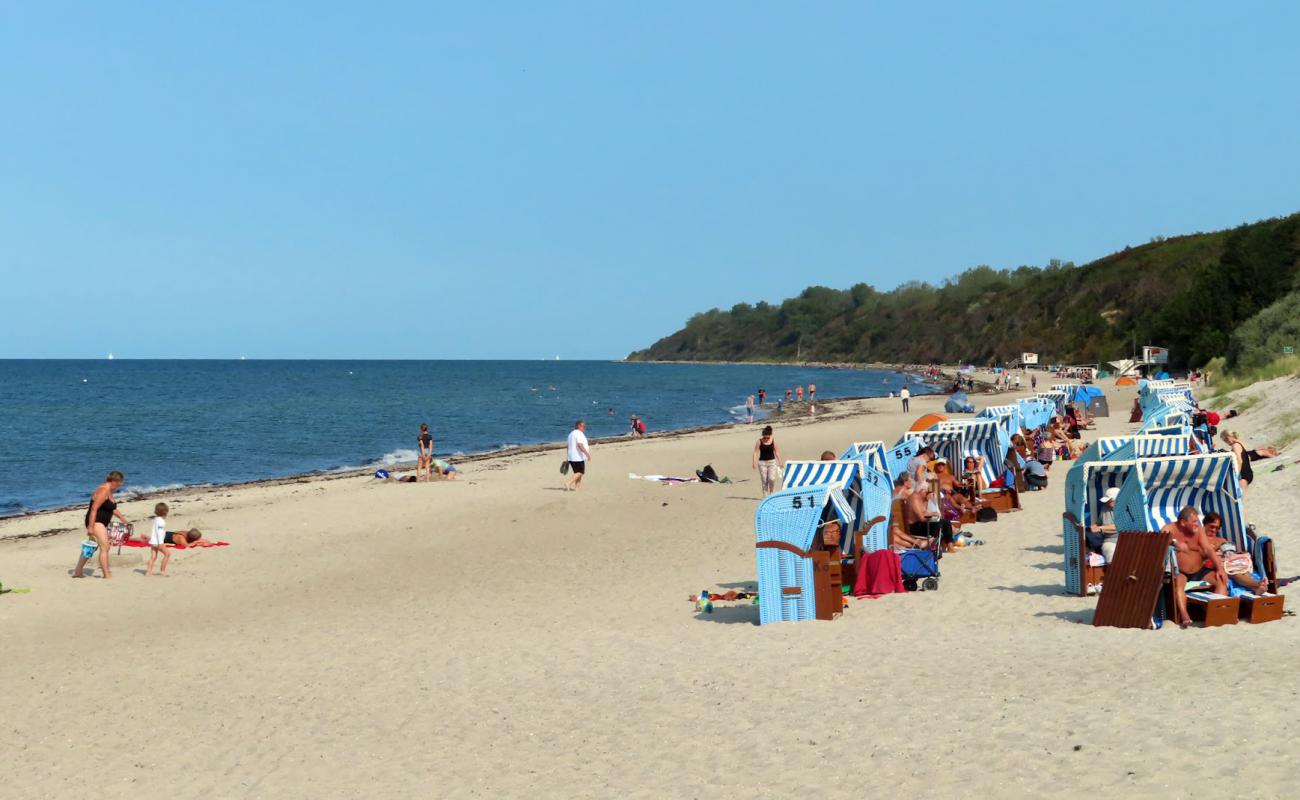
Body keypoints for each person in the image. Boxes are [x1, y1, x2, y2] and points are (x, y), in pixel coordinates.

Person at [1165, 507, 1228, 627]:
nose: (1197, 524)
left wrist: (1220, 569)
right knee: (1179, 585)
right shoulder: (1171, 528)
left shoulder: (1198, 530)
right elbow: (1161, 537)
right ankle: (1184, 615)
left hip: (1200, 570)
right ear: (1183, 523)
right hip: (1181, 572)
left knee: (1220, 579)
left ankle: (1217, 613)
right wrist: (1174, 542)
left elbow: (1208, 549)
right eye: (1194, 521)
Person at [73, 470, 129, 579]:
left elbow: (111, 508)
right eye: (119, 484)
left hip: (100, 522)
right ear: (113, 481)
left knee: (91, 548)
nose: (118, 486)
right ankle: (106, 574)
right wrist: (90, 527)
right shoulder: (103, 490)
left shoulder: (109, 490)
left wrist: (124, 520)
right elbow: (94, 509)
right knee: (105, 546)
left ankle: (78, 571)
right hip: (95, 521)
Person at [1201, 512, 1269, 595]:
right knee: (1234, 571)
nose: (1214, 530)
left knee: (1241, 569)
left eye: (1217, 528)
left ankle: (1255, 589)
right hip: (1213, 565)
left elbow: (1230, 553)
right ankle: (1257, 584)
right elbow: (1201, 555)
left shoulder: (1221, 540)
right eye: (1212, 526)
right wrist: (1215, 548)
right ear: (1205, 524)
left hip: (1228, 562)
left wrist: (1238, 554)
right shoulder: (1200, 539)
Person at [753, 425, 783, 495]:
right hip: (762, 463)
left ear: (770, 435)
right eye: (765, 437)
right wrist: (754, 462)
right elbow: (755, 452)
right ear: (763, 436)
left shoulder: (773, 441)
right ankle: (765, 496)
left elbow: (777, 452)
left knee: (771, 479)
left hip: (772, 462)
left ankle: (771, 492)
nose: (766, 439)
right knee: (764, 480)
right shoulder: (759, 441)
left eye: (768, 437)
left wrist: (780, 462)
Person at [147, 502, 173, 576]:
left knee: (153, 557)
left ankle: (148, 572)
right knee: (167, 554)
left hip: (153, 542)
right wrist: (161, 543)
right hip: (158, 542)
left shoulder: (155, 519)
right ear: (164, 512)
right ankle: (162, 571)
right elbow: (159, 532)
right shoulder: (161, 521)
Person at [564, 420, 591, 491]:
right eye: (583, 426)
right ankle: (568, 483)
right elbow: (580, 445)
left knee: (577, 473)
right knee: (581, 472)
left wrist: (568, 457)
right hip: (577, 457)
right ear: (578, 426)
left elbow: (568, 446)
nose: (584, 428)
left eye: (585, 426)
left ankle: (577, 487)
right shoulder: (579, 433)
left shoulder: (571, 434)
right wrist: (587, 454)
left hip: (571, 456)